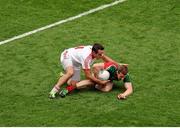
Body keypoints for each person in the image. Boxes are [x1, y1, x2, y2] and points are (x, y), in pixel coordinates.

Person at [49, 43, 114, 98]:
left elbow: (105, 58)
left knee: (73, 84)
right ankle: (53, 91)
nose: (101, 56)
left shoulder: (95, 50)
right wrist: (100, 82)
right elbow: (87, 75)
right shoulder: (86, 58)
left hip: (76, 62)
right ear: (94, 52)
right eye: (100, 54)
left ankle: (64, 77)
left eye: (102, 53)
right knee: (70, 72)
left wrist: (118, 65)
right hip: (67, 56)